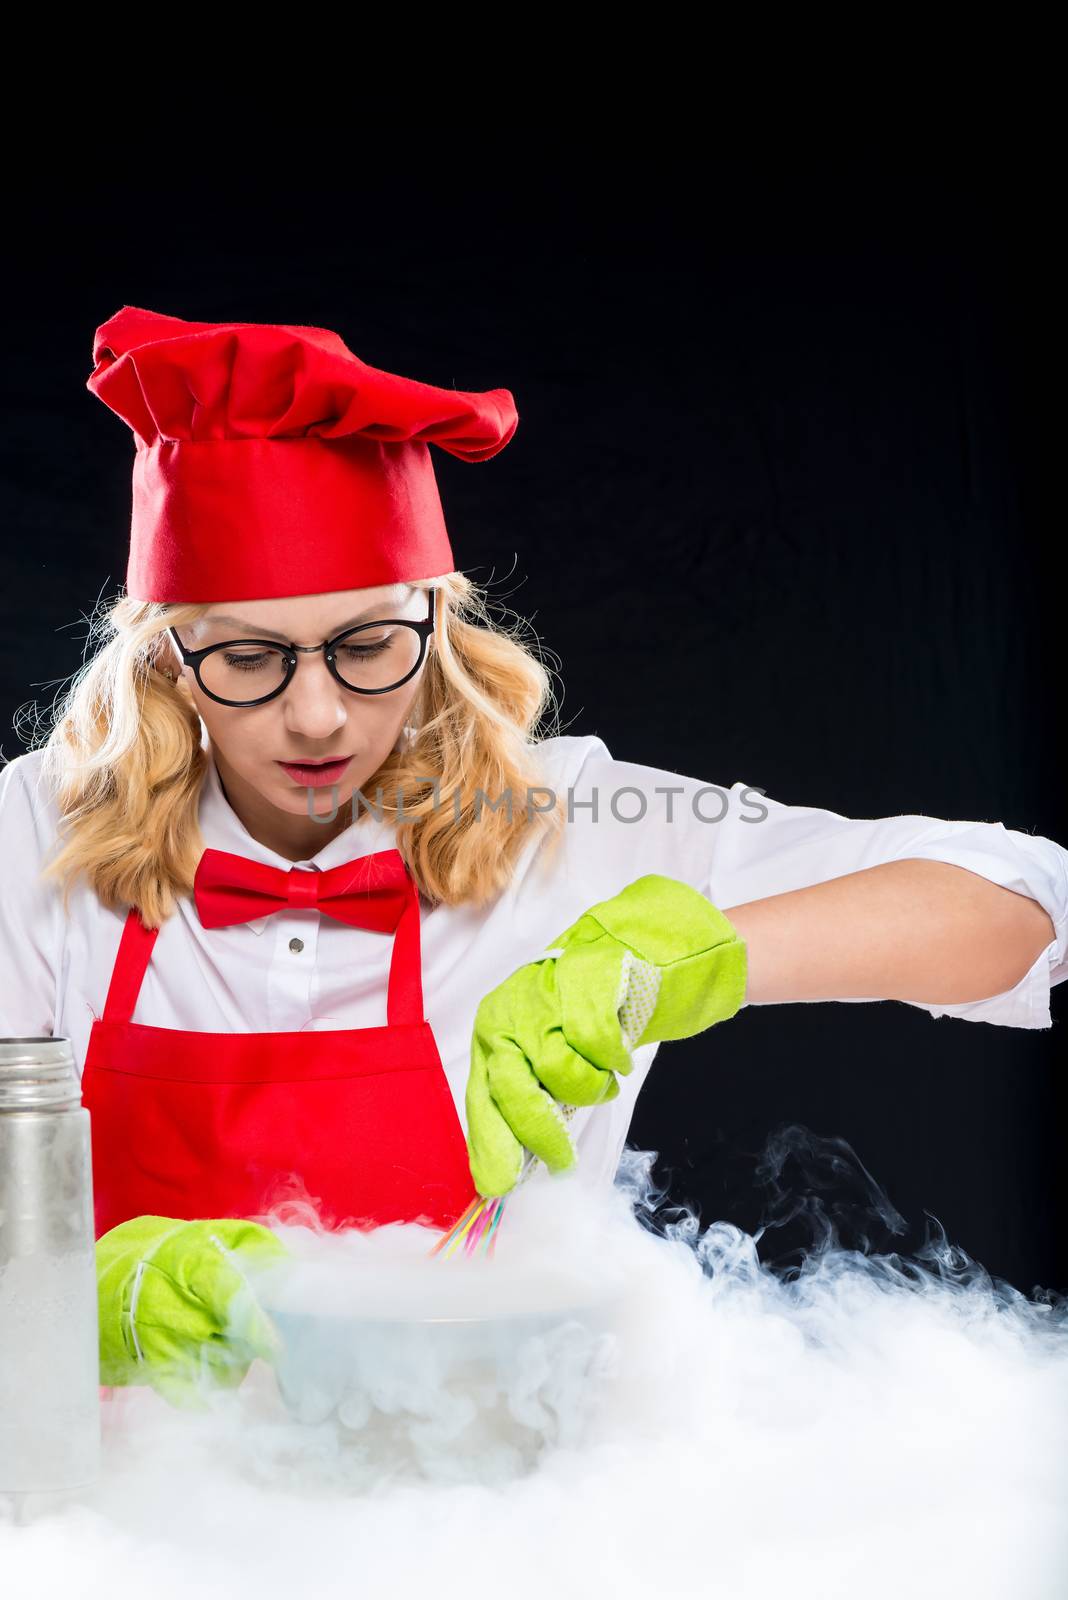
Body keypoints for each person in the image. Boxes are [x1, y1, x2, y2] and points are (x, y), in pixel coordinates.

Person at [0, 304, 1064, 1407]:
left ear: (438, 625)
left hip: (501, 1524)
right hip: (124, 1532)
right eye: (250, 657)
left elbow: (1024, 906)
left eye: (369, 645)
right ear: (168, 659)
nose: (315, 715)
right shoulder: (34, 835)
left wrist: (687, 959)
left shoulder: (569, 819)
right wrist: (67, 1300)